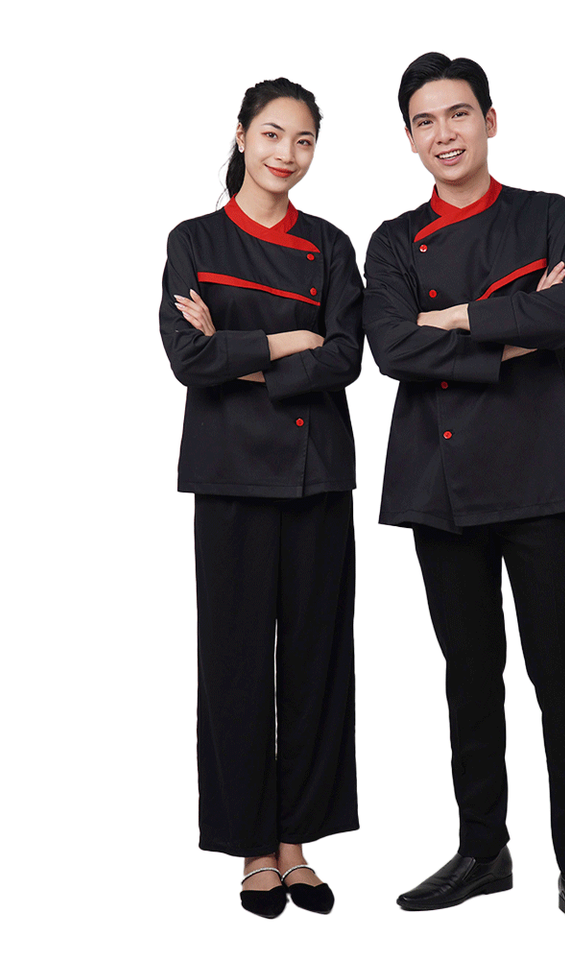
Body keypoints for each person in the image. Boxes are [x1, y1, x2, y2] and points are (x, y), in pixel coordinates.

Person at [363, 53, 565, 945]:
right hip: (440, 489)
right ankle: (483, 853)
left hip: (540, 477)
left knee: (562, 675)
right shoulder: (393, 241)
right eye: (425, 121)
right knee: (469, 676)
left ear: (491, 120)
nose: (444, 134)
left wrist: (456, 317)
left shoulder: (550, 216)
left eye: (459, 114)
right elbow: (392, 348)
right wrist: (515, 328)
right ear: (409, 138)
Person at [159, 78, 363, 919]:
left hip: (319, 477)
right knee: (237, 664)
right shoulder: (194, 239)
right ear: (242, 135)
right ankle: (252, 848)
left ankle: (297, 844)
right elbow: (187, 358)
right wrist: (286, 340)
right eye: (273, 134)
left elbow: (345, 357)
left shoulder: (330, 244)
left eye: (304, 140)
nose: (288, 153)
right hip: (230, 478)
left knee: (317, 660)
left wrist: (236, 352)